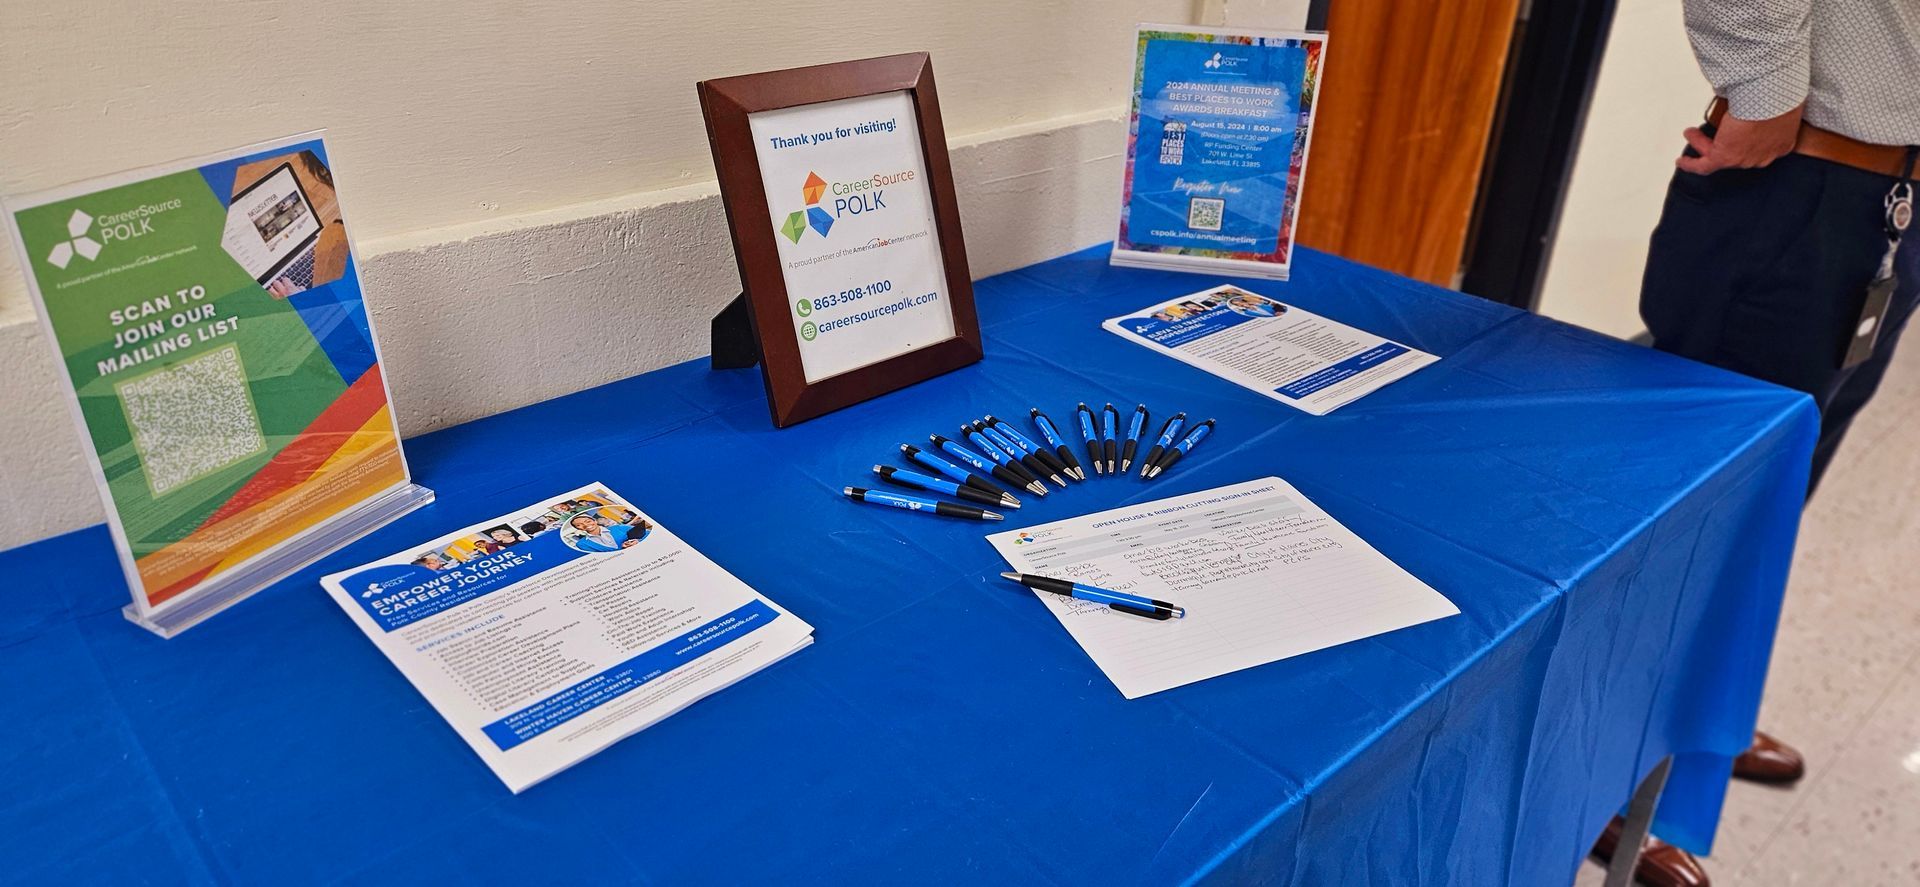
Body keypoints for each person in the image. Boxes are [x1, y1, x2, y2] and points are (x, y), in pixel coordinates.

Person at [1610, 3, 1918, 885]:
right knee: (1699, 514)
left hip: (1891, 197)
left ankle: (1696, 727)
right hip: (1803, 178)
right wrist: (1766, 92)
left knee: (1775, 498)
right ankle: (1611, 774)